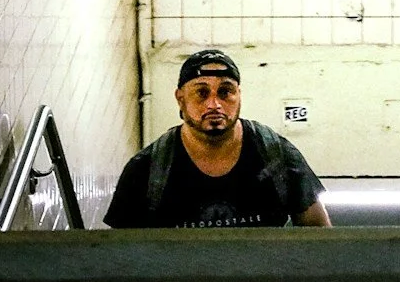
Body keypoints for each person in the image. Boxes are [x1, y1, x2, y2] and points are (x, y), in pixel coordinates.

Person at [103, 49, 330, 229]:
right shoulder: (146, 169)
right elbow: (121, 256)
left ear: (238, 95)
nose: (214, 104)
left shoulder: (276, 154)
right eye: (202, 93)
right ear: (180, 99)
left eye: (225, 92)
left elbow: (318, 235)